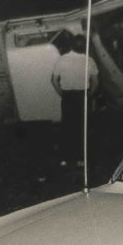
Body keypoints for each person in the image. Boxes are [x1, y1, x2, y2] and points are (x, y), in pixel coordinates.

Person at [51, 32, 99, 169]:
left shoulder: (62, 59)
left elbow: (53, 80)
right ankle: (80, 160)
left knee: (67, 127)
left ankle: (65, 159)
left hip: (67, 97)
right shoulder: (89, 60)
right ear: (85, 47)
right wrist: (89, 96)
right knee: (82, 128)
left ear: (71, 45)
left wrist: (62, 94)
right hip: (82, 96)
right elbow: (96, 82)